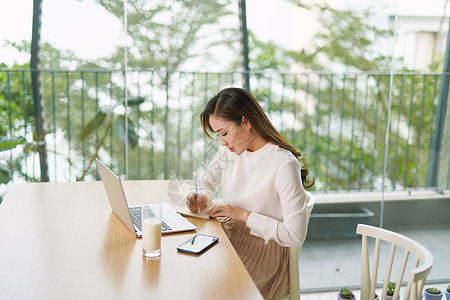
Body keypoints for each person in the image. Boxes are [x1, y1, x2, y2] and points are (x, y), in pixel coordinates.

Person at [186, 87, 314, 300]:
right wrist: (201, 196)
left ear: (245, 122)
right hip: (229, 236)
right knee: (187, 272)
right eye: (218, 135)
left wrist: (242, 215)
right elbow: (206, 182)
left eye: (224, 133)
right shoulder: (229, 152)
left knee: (210, 290)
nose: (222, 142)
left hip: (264, 252)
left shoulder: (282, 164)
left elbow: (295, 234)